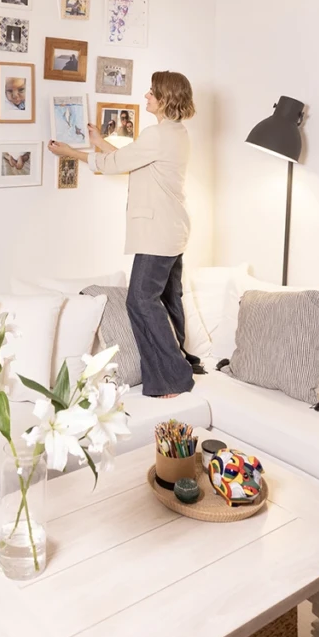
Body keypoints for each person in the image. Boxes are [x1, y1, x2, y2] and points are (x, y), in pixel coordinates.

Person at [48, 71, 203, 399]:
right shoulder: (176, 133)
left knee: (141, 300)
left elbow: (117, 163)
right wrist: (98, 142)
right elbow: (133, 158)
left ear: (165, 98)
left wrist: (71, 152)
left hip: (157, 232)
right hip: (173, 229)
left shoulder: (157, 134)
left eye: (151, 92)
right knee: (168, 298)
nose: (147, 96)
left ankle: (174, 376)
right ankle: (182, 361)